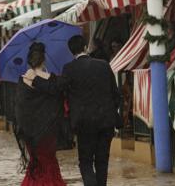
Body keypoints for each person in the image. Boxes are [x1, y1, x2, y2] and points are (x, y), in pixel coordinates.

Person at [24, 35, 122, 186]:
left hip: (84, 124)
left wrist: (35, 79)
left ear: (71, 52)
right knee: (102, 161)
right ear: (85, 47)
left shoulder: (69, 69)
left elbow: (55, 89)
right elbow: (116, 94)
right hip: (106, 122)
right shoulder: (103, 65)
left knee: (86, 161)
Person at [14, 42, 66, 186]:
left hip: (30, 133)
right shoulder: (51, 79)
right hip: (48, 132)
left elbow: (20, 108)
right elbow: (58, 103)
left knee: (35, 161)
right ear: (44, 59)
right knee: (49, 160)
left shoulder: (23, 80)